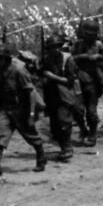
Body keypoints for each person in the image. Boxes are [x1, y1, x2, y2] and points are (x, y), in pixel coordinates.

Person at [0, 44, 47, 176]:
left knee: (31, 136)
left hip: (21, 109)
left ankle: (41, 157)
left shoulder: (18, 71)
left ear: (7, 59)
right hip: (4, 109)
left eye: (1, 58)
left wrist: (31, 114)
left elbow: (31, 93)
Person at [72, 19, 103, 147]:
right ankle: (83, 129)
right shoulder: (78, 45)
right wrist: (83, 56)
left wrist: (99, 57)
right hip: (78, 81)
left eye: (92, 34)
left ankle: (92, 134)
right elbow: (70, 59)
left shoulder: (99, 45)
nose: (89, 36)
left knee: (91, 111)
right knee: (76, 110)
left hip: (94, 82)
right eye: (87, 34)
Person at [42, 34, 79, 162]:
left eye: (57, 47)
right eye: (52, 47)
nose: (55, 50)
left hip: (65, 95)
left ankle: (67, 148)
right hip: (51, 95)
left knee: (64, 122)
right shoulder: (46, 59)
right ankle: (63, 147)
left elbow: (70, 81)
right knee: (55, 125)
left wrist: (52, 77)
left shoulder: (68, 59)